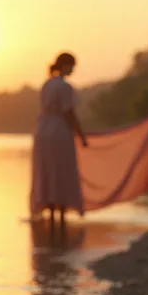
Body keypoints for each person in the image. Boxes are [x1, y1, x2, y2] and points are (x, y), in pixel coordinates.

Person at [30, 52, 88, 227]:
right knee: (61, 171)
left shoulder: (47, 84)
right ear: (64, 65)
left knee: (47, 171)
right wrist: (81, 134)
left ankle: (52, 214)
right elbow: (68, 112)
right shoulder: (64, 87)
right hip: (58, 131)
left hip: (42, 131)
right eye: (72, 66)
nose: (73, 70)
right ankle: (60, 216)